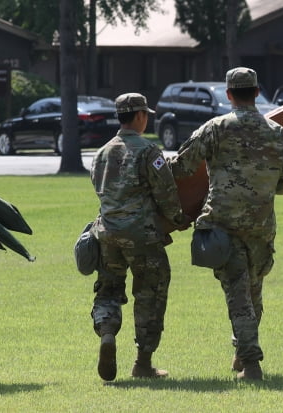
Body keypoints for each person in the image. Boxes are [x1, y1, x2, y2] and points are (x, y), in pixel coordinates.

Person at [168, 67, 283, 380]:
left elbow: (182, 167)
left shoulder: (215, 128)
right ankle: (242, 354)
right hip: (261, 227)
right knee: (253, 293)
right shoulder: (277, 131)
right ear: (256, 92)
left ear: (228, 94)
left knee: (238, 296)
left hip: (223, 224)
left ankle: (251, 363)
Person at [89, 92, 189, 382]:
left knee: (108, 290)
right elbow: (166, 194)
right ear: (141, 117)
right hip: (142, 237)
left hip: (106, 234)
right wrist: (179, 219)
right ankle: (143, 363)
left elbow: (100, 190)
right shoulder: (148, 152)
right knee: (150, 293)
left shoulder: (101, 152)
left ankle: (107, 333)